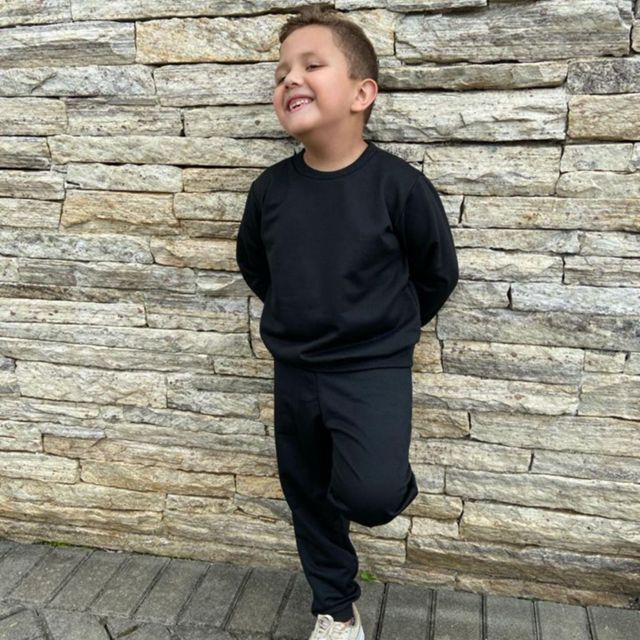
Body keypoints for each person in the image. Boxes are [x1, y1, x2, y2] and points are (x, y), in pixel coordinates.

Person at [235, 5, 459, 639]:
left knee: (371, 494)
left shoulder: (398, 187)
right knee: (306, 492)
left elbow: (436, 272)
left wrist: (386, 330)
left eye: (312, 65)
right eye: (281, 72)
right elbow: (256, 266)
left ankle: (370, 471)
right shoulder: (270, 191)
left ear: (362, 94)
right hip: (296, 369)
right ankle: (335, 609)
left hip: (371, 367)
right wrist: (297, 315)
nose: (290, 78)